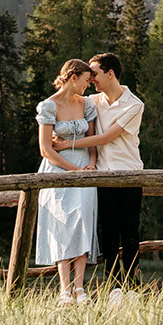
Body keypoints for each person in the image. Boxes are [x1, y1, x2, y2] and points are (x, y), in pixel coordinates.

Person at [54, 52, 144, 305]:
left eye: (94, 74)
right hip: (103, 175)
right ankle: (114, 287)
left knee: (130, 232)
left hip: (129, 174)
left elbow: (107, 137)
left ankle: (133, 287)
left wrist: (67, 144)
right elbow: (63, 101)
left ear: (110, 73)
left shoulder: (135, 105)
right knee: (109, 232)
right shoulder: (93, 101)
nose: (91, 79)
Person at [35, 58, 100, 305]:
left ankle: (80, 287)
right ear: (73, 77)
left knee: (82, 219)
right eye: (86, 80)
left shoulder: (87, 105)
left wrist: (91, 165)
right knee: (62, 222)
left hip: (84, 169)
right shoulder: (48, 106)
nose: (89, 85)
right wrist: (73, 171)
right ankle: (64, 290)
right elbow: (45, 149)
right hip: (57, 171)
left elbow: (93, 139)